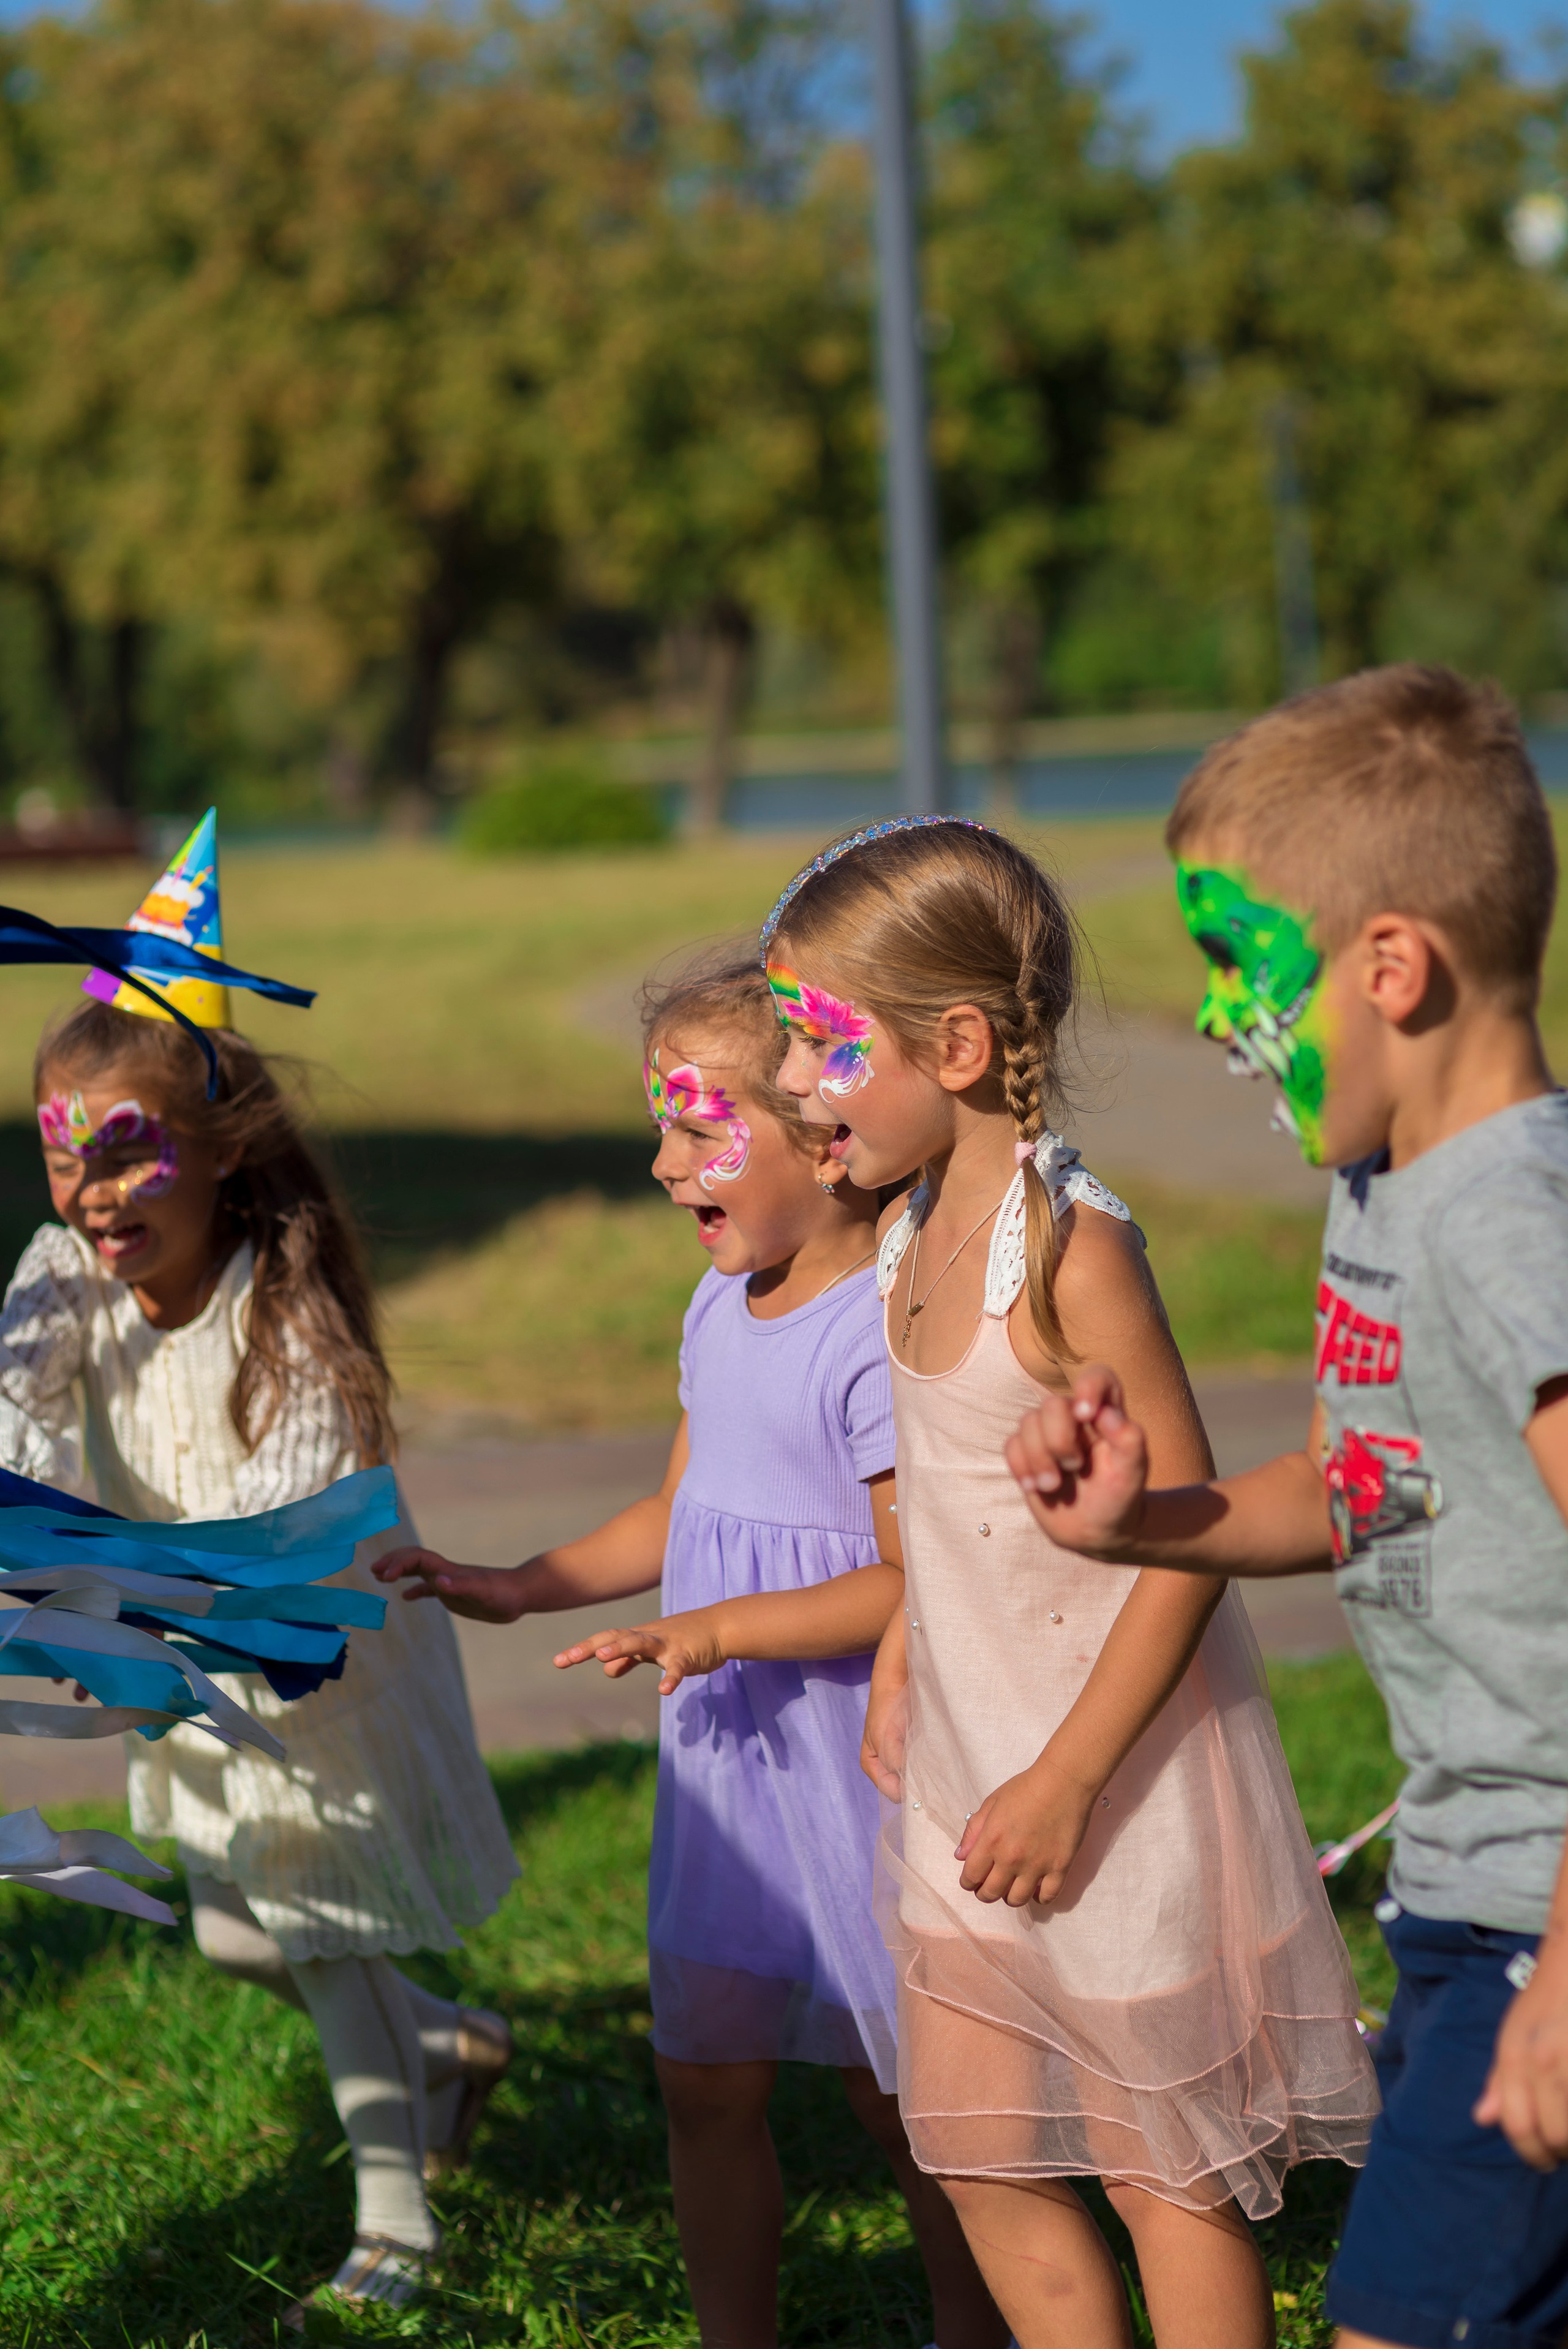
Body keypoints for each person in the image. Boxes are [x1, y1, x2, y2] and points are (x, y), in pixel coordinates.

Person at [1002, 665, 1568, 2349]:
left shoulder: (1510, 1222)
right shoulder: (1384, 1185)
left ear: (1392, 965)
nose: (1211, 1020)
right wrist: (1139, 1520)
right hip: (1475, 1893)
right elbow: (1355, 1487)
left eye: (1240, 965)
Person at [763, 814, 1378, 2349]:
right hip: (970, 1777)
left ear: (956, 1045)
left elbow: (1182, 1545)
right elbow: (951, 1514)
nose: (787, 1083)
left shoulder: (1066, 1250)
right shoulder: (904, 1223)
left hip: (1113, 1787)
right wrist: (908, 1652)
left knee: (1158, 2171)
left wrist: (1070, 1776)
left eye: (821, 1046)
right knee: (976, 2156)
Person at [377, 955, 1008, 2349]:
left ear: (824, 1133)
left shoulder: (879, 1334)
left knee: (905, 2102)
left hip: (859, 1769)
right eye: (660, 1125)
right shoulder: (718, 1306)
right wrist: (519, 1582)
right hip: (730, 1776)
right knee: (700, 2077)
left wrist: (715, 1629)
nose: (664, 1164)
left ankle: (979, 2326)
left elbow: (912, 1578)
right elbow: (684, 1507)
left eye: (699, 1125)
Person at [0, 814, 519, 2321]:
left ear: (223, 1152)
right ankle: (452, 2041)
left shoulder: (285, 1326)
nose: (91, 1190)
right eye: (59, 1152)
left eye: (126, 1150)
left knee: (309, 1930)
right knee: (235, 1932)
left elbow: (297, 1546)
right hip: (182, 1654)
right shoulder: (69, 1284)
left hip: (308, 1658)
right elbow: (21, 1436)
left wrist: (171, 1626)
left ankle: (394, 2225)